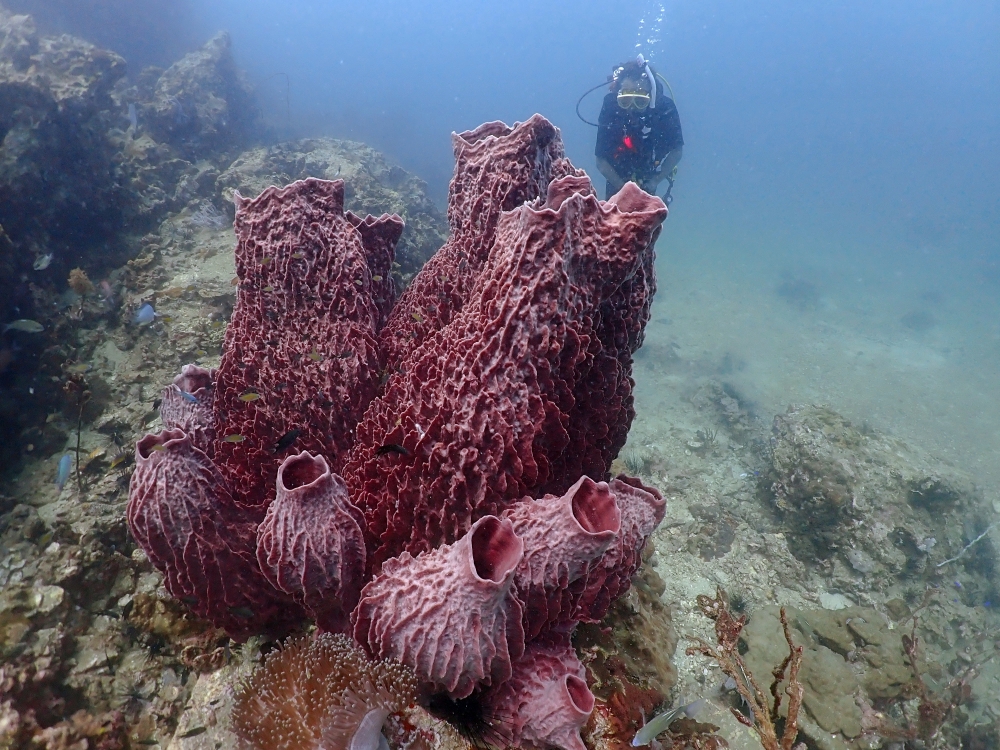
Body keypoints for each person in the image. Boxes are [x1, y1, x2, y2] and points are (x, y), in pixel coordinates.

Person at [595, 55, 683, 201]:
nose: (632, 109)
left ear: (651, 98)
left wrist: (655, 181)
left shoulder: (665, 108)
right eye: (626, 101)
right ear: (619, 96)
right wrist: (623, 188)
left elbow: (677, 150)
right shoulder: (611, 105)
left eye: (641, 102)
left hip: (650, 169)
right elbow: (601, 160)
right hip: (617, 170)